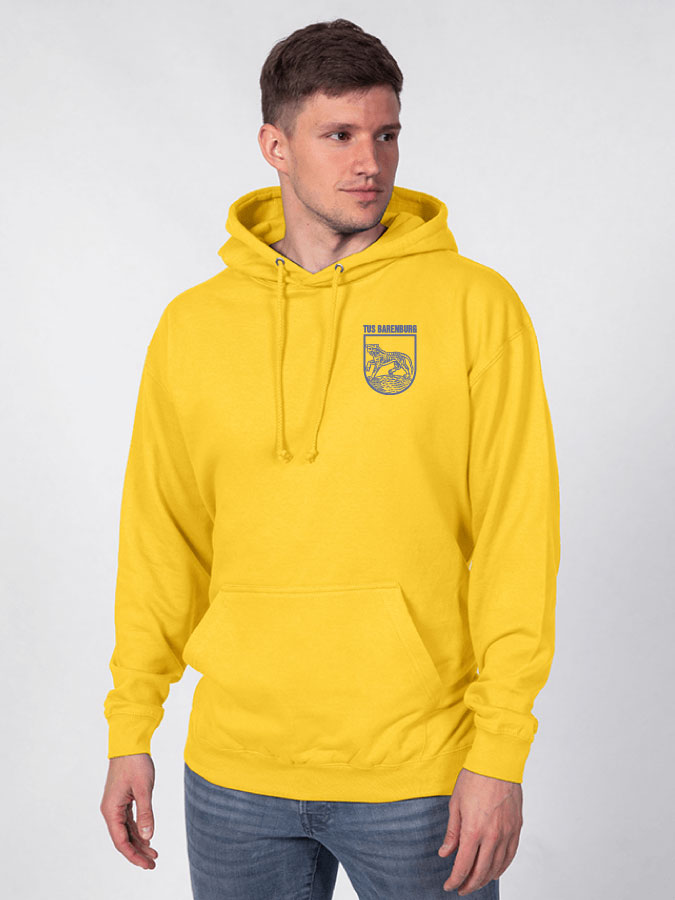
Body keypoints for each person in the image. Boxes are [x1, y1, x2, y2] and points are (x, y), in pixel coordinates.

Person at [99, 18, 560, 899]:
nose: (369, 162)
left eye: (386, 134)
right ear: (275, 146)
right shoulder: (194, 326)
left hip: (420, 773)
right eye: (339, 135)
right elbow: (161, 540)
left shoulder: (474, 306)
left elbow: (517, 538)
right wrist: (131, 727)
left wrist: (499, 750)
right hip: (233, 772)